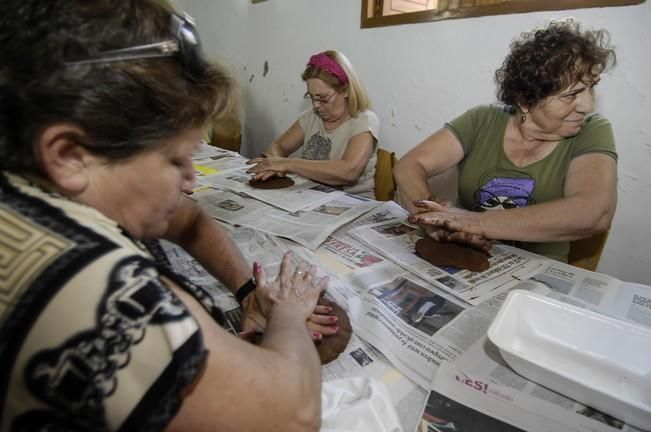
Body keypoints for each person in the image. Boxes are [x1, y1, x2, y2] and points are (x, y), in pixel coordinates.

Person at [0, 1, 327, 430]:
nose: (191, 181)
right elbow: (293, 414)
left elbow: (187, 219)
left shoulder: (28, 185)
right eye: (176, 160)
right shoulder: (87, 288)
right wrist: (286, 311)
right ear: (69, 154)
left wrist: (248, 290)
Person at [394, 19, 617, 262]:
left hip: (537, 274)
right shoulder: (482, 120)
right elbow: (408, 166)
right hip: (468, 256)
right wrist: (430, 220)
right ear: (525, 100)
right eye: (572, 94)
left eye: (591, 88)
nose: (588, 105)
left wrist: (476, 223)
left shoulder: (592, 131)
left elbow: (594, 212)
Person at [246, 50, 380, 197]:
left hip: (351, 202)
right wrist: (276, 167)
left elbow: (348, 171)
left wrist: (287, 164)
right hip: (312, 196)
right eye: (311, 97)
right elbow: (279, 146)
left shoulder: (365, 121)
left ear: (345, 90)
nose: (316, 105)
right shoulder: (312, 117)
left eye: (323, 98)